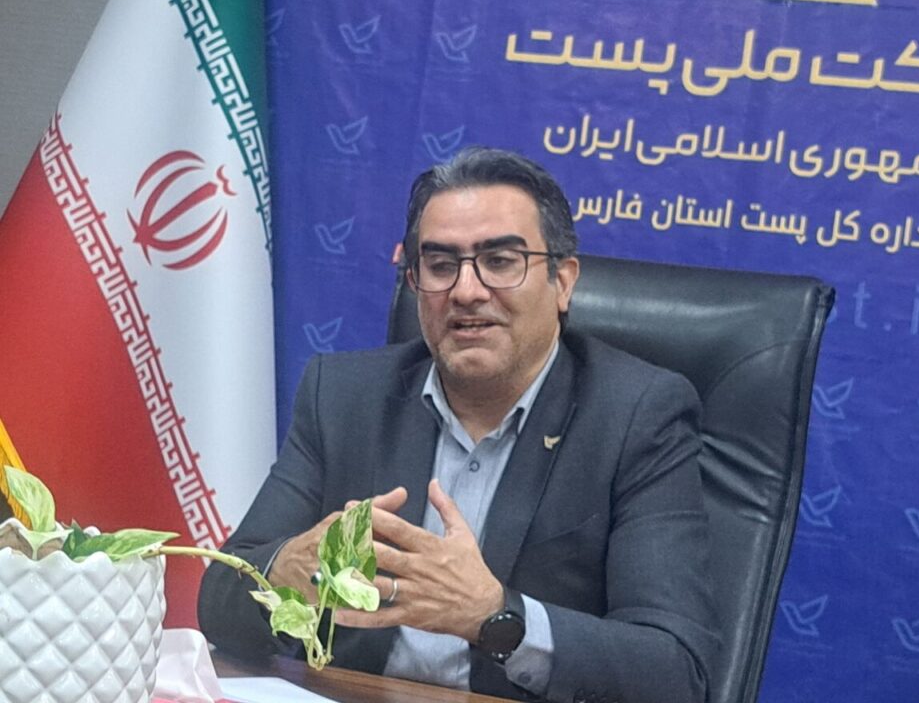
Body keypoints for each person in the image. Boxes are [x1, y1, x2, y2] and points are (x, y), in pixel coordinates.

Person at [198, 147, 720, 702]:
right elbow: (218, 600)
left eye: (500, 261)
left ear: (563, 282)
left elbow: (675, 671)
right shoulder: (344, 396)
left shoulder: (637, 416)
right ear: (414, 281)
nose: (467, 291)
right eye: (441, 266)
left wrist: (495, 617)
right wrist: (285, 568)